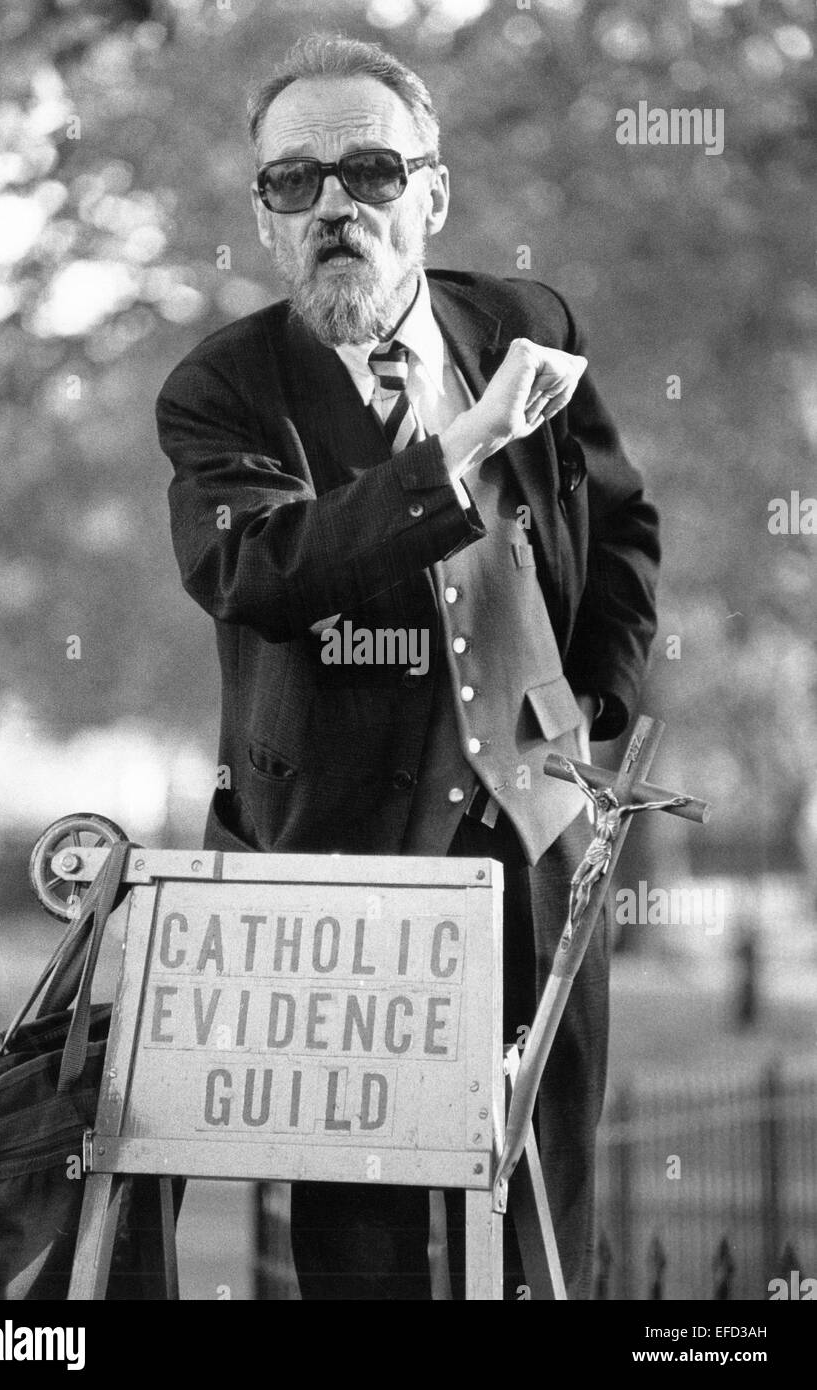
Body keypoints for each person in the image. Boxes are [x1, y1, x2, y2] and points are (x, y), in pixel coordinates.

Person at [155, 33, 660, 1300]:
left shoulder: (525, 321)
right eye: (295, 183)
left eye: (371, 171)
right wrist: (463, 449)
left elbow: (623, 520)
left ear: (432, 193)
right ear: (265, 219)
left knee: (550, 1213)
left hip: (535, 830)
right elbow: (259, 569)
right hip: (344, 860)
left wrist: (589, 704)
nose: (335, 206)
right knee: (364, 1233)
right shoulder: (222, 388)